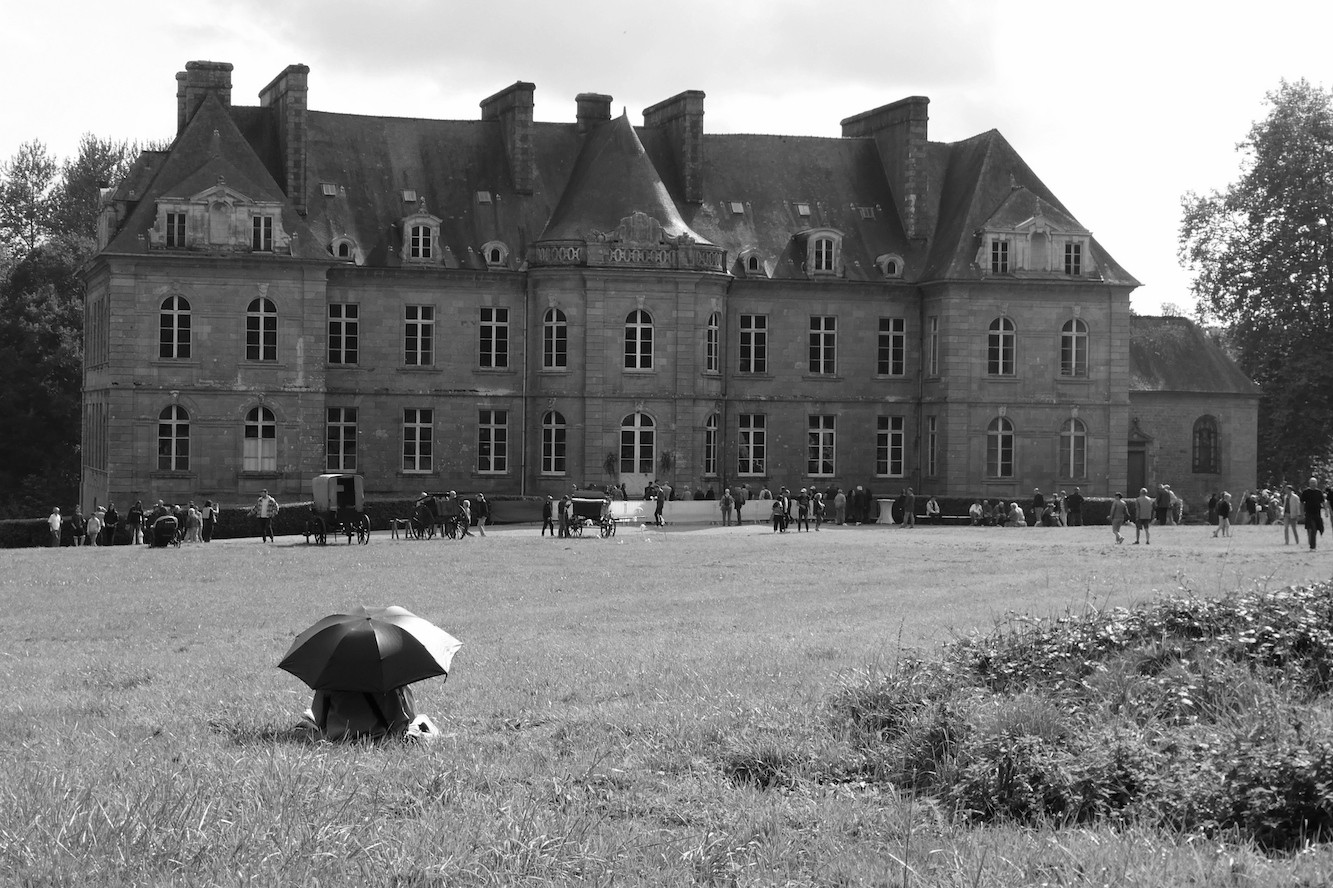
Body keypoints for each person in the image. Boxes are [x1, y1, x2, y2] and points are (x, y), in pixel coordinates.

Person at [1300, 477, 1325, 551]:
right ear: (1309, 484)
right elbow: (1301, 503)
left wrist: (1326, 511)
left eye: (1314, 483)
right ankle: (1312, 547)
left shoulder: (1319, 492)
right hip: (1309, 514)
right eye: (1312, 483)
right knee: (1313, 529)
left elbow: (1323, 502)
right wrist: (1301, 513)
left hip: (1317, 514)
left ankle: (1312, 543)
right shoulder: (1306, 492)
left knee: (1318, 529)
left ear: (1316, 483)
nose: (1313, 484)